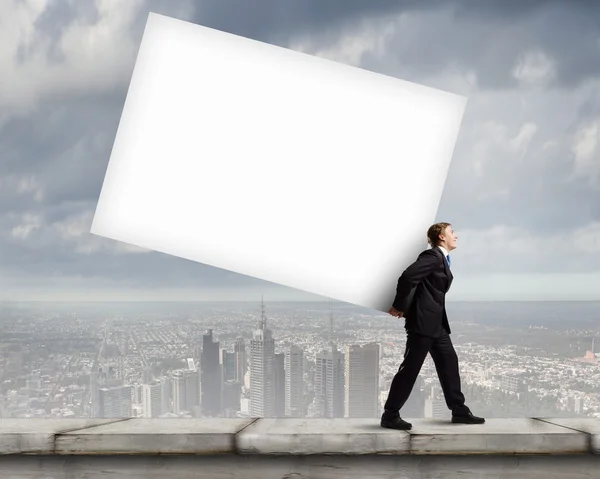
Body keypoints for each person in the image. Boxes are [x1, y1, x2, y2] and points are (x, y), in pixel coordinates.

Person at [381, 222, 485, 430]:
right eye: (452, 232)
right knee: (410, 369)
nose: (456, 236)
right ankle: (390, 415)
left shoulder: (442, 259)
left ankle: (459, 410)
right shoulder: (432, 256)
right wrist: (399, 306)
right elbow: (408, 277)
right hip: (423, 323)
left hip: (437, 324)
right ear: (440, 236)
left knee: (449, 363)